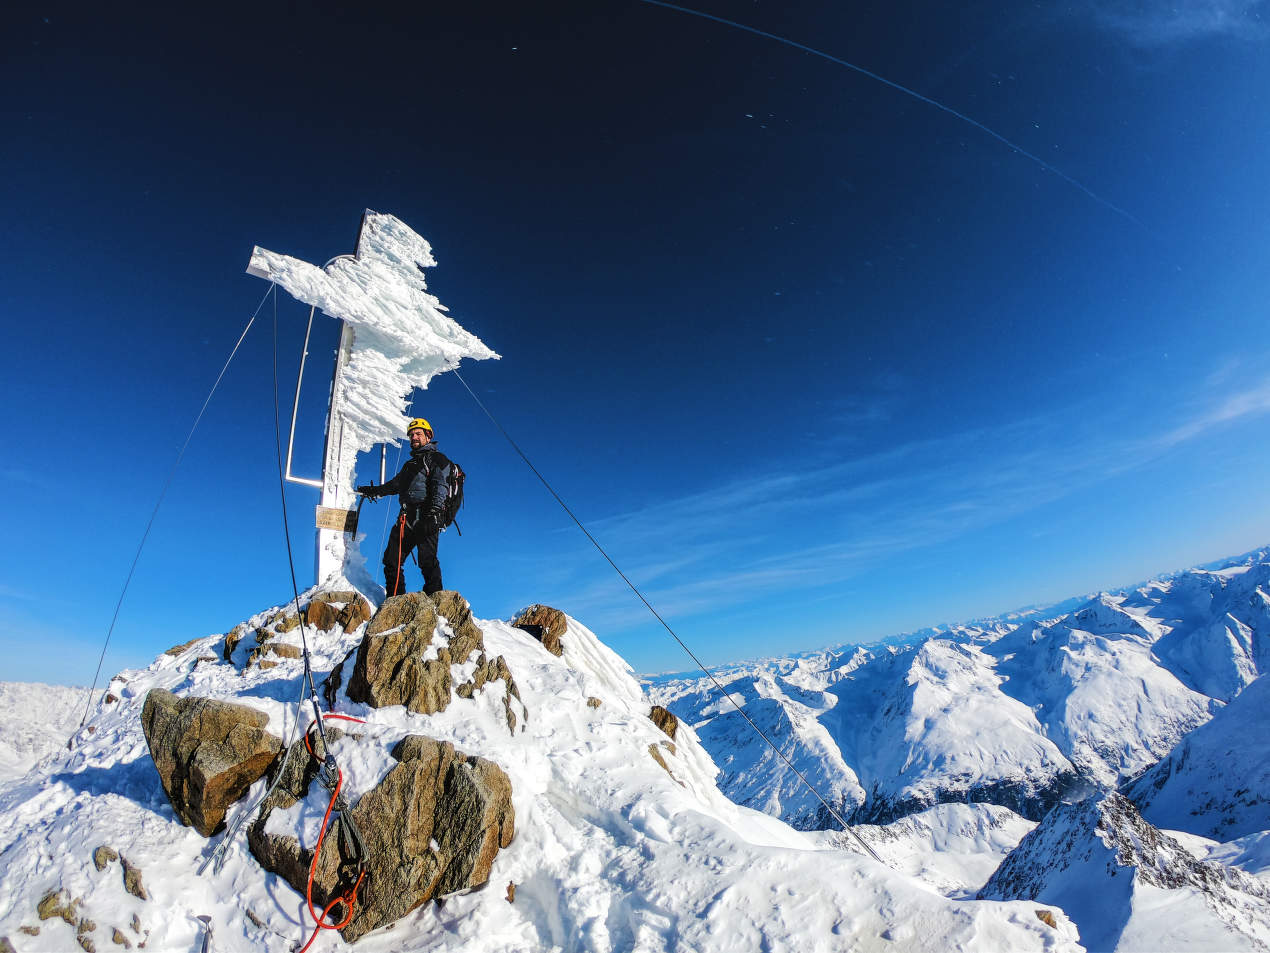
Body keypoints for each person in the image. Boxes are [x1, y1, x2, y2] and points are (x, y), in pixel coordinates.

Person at [357, 417, 453, 597]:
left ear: (428, 436)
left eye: (418, 434)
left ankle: (436, 602)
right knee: (391, 561)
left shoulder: (437, 459)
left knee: (427, 560)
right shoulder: (410, 465)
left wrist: (434, 513)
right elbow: (395, 485)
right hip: (406, 518)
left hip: (427, 516)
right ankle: (395, 600)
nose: (414, 437)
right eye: (411, 435)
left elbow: (441, 485)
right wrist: (374, 491)